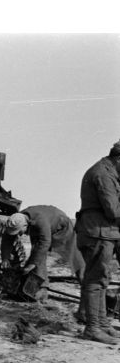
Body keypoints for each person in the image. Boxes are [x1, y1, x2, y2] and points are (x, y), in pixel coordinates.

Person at [74, 142, 120, 344]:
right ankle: (92, 327)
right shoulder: (103, 174)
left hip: (101, 232)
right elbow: (113, 210)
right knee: (95, 279)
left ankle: (101, 323)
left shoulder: (107, 171)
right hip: (97, 233)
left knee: (102, 278)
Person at [2, 206, 85, 301]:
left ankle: (87, 285)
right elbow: (7, 238)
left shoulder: (40, 221)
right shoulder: (16, 219)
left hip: (61, 227)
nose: (19, 235)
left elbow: (45, 242)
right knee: (36, 256)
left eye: (19, 231)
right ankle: (41, 290)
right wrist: (5, 258)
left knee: (75, 257)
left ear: (25, 226)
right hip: (38, 230)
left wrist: (32, 264)